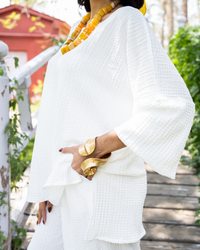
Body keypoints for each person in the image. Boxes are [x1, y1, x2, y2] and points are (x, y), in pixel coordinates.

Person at [26, 0, 195, 249]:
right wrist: (43, 185)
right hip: (62, 181)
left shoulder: (129, 20)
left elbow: (172, 105)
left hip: (102, 184)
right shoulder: (78, 28)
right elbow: (55, 111)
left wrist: (93, 148)